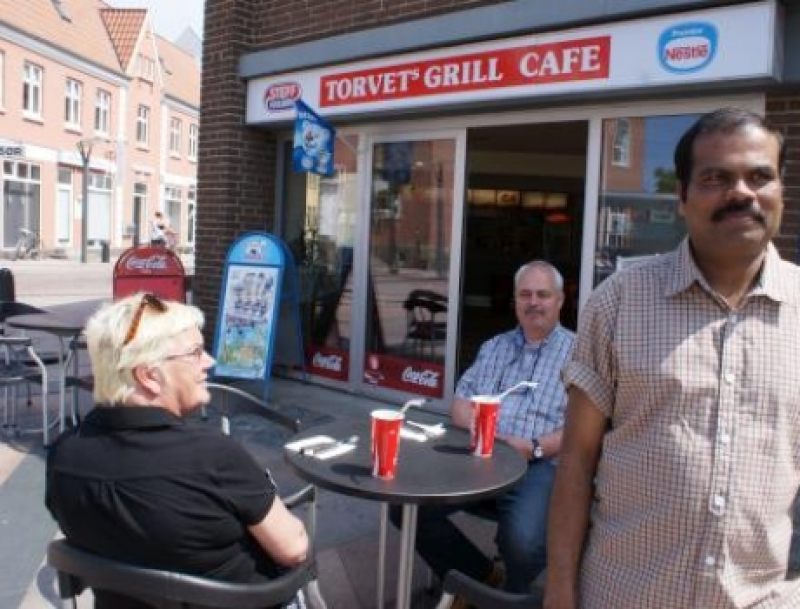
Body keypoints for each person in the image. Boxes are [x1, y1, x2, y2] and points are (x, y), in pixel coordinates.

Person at [546, 107, 800, 608]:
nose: (742, 193)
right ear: (682, 196)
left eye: (760, 176)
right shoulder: (618, 301)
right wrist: (559, 590)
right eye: (716, 178)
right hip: (624, 595)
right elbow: (575, 461)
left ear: (781, 192)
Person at [45, 293, 308, 609]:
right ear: (148, 375)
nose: (209, 361)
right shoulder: (212, 457)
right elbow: (293, 548)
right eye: (195, 353)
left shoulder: (64, 456)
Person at [393, 260, 574, 596]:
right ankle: (481, 581)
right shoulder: (494, 347)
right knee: (407, 508)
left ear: (560, 300)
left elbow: (580, 428)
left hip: (536, 463)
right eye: (525, 294)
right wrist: (479, 431)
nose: (533, 302)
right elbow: (461, 401)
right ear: (515, 300)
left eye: (543, 294)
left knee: (522, 543)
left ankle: (510, 597)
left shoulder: (579, 354)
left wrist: (533, 446)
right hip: (480, 455)